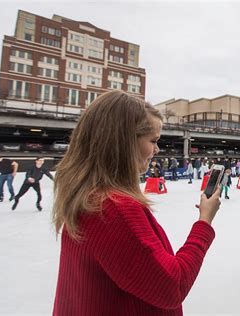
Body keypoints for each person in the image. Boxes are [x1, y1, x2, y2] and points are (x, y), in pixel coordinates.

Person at [52, 90, 221, 315]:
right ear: (123, 142)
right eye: (153, 141)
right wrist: (204, 223)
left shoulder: (92, 199)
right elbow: (172, 286)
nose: (157, 150)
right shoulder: (113, 209)